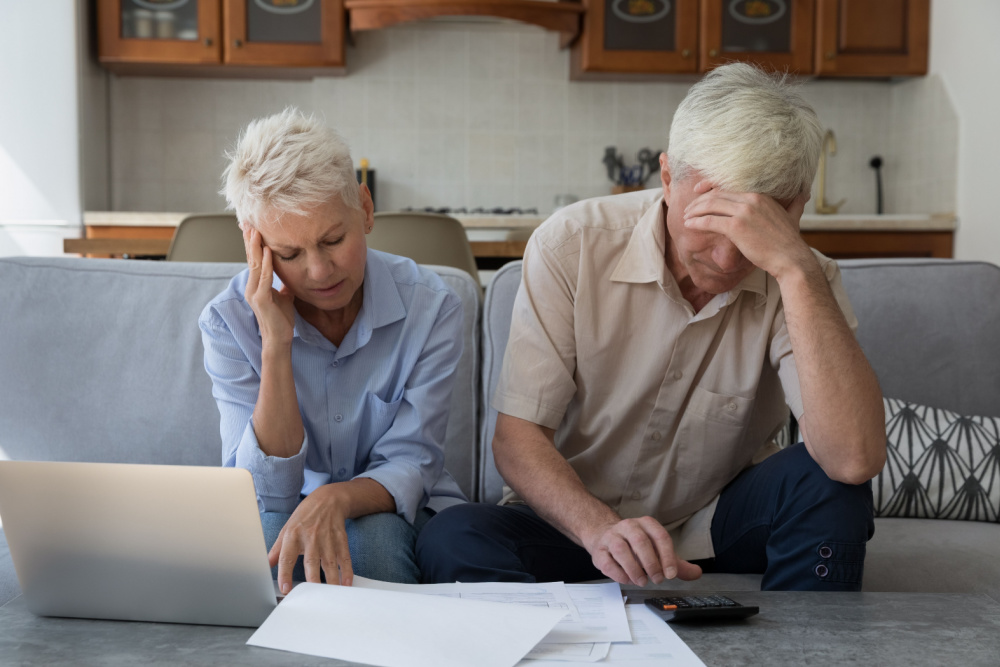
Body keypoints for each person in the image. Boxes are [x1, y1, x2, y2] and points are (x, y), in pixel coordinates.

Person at [416, 63, 887, 591]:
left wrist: (795, 269)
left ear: (797, 208)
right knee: (450, 537)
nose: (729, 256)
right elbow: (517, 440)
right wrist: (601, 531)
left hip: (716, 521)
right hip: (574, 528)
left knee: (828, 486)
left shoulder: (803, 277)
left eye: (758, 222)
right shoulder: (572, 245)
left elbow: (853, 458)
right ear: (667, 178)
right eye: (709, 215)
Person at [199, 108, 466, 594]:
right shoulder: (228, 322)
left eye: (333, 240)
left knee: (376, 544)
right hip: (286, 505)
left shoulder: (433, 306)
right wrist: (276, 343)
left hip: (397, 507)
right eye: (290, 254)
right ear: (254, 245)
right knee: (258, 551)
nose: (319, 272)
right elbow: (266, 493)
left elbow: (412, 460)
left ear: (364, 208)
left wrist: (336, 499)